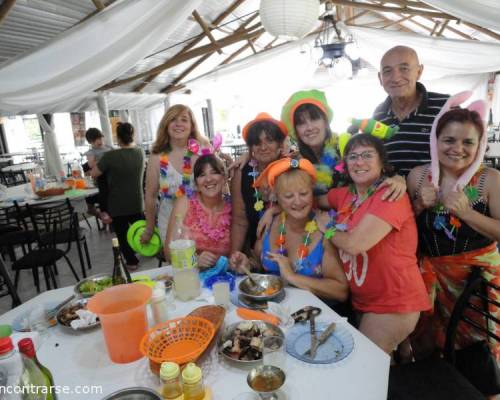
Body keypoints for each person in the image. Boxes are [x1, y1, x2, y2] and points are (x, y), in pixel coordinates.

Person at [407, 91, 500, 360]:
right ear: (435, 141)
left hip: (475, 282)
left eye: (468, 142)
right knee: (425, 341)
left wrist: (467, 213)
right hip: (427, 277)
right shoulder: (418, 176)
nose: (457, 148)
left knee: (476, 348)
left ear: (480, 144)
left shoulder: (490, 180)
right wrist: (419, 205)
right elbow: (402, 228)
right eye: (448, 139)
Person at [318, 134, 430, 354]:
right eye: (353, 156)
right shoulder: (345, 195)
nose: (359, 162)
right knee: (382, 367)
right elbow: (308, 200)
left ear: (382, 161)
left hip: (394, 302)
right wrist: (276, 207)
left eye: (367, 155)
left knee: (364, 363)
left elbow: (354, 244)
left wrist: (327, 229)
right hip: (364, 301)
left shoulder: (389, 194)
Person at [230, 158, 349, 302]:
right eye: (288, 196)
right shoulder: (269, 224)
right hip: (274, 313)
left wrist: (293, 277)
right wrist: (247, 265)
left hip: (315, 317)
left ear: (312, 192)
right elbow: (261, 262)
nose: (298, 202)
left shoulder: (324, 229)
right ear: (277, 197)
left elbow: (341, 291)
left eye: (304, 193)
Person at [281, 89, 406, 200]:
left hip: (355, 217)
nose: (309, 127)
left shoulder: (347, 145)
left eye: (314, 119)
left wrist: (398, 179)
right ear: (296, 130)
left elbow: (383, 170)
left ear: (325, 121)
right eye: (301, 123)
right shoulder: (295, 163)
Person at [373, 45, 449, 176]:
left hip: (436, 194)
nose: (395, 78)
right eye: (387, 71)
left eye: (404, 68)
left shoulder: (445, 106)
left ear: (419, 72)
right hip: (391, 195)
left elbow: (465, 153)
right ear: (380, 78)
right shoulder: (379, 114)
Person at [142, 104, 208, 244]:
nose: (178, 124)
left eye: (184, 119)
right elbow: (151, 195)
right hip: (170, 223)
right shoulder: (157, 157)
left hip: (204, 222)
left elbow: (219, 183)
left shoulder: (203, 151)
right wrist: (149, 227)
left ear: (191, 126)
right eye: (173, 119)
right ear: (166, 125)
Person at [230, 113, 287, 254]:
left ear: (280, 143)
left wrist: (273, 210)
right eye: (257, 142)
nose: (263, 147)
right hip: (255, 253)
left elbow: (301, 206)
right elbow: (239, 221)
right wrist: (234, 255)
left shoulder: (291, 167)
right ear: (251, 147)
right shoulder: (242, 172)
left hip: (289, 249)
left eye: (269, 140)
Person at [91, 122, 145, 270]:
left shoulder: (110, 156)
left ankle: (132, 261)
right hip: (137, 201)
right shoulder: (140, 152)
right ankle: (145, 250)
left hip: (117, 204)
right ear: (132, 135)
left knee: (122, 234)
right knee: (139, 229)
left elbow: (94, 173)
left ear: (118, 138)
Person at [164, 154, 231, 268]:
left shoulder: (234, 208)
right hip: (191, 277)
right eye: (202, 175)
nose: (208, 179)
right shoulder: (184, 203)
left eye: (214, 172)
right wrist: (194, 260)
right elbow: (168, 253)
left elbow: (243, 253)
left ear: (224, 178)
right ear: (196, 183)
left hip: (227, 278)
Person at [83, 127, 112, 223]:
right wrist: (106, 161)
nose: (98, 141)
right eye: (94, 141)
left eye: (100, 138)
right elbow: (91, 164)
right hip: (101, 179)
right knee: (101, 198)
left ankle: (107, 216)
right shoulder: (91, 152)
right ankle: (104, 217)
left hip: (112, 177)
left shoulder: (109, 147)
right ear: (90, 142)